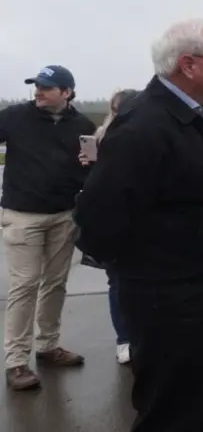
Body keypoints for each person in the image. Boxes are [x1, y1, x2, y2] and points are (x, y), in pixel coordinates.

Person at [75, 19, 203, 431]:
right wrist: (160, 272)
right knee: (172, 414)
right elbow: (98, 222)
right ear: (188, 65)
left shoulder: (196, 115)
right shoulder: (145, 125)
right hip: (173, 306)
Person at [1, 64, 95, 391]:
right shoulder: (13, 117)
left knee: (55, 283)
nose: (38, 91)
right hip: (22, 216)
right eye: (36, 86)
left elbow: (91, 172)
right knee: (25, 285)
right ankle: (15, 362)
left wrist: (90, 165)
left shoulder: (83, 125)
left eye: (46, 86)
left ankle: (47, 346)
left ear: (66, 92)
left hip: (63, 215)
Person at [78, 88, 140, 366]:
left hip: (141, 220)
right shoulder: (103, 138)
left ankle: (141, 336)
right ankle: (124, 339)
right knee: (117, 282)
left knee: (142, 283)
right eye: (114, 109)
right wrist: (88, 166)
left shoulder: (142, 136)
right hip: (113, 220)